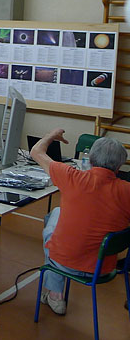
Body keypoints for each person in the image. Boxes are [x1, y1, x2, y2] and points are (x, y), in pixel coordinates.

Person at [30, 129, 130, 315]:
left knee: (52, 224)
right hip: (103, 268)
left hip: (66, 262)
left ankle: (55, 295)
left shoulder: (72, 176)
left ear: (90, 160)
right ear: (118, 167)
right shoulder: (126, 190)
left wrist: (51, 136)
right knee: (58, 213)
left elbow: (36, 152)